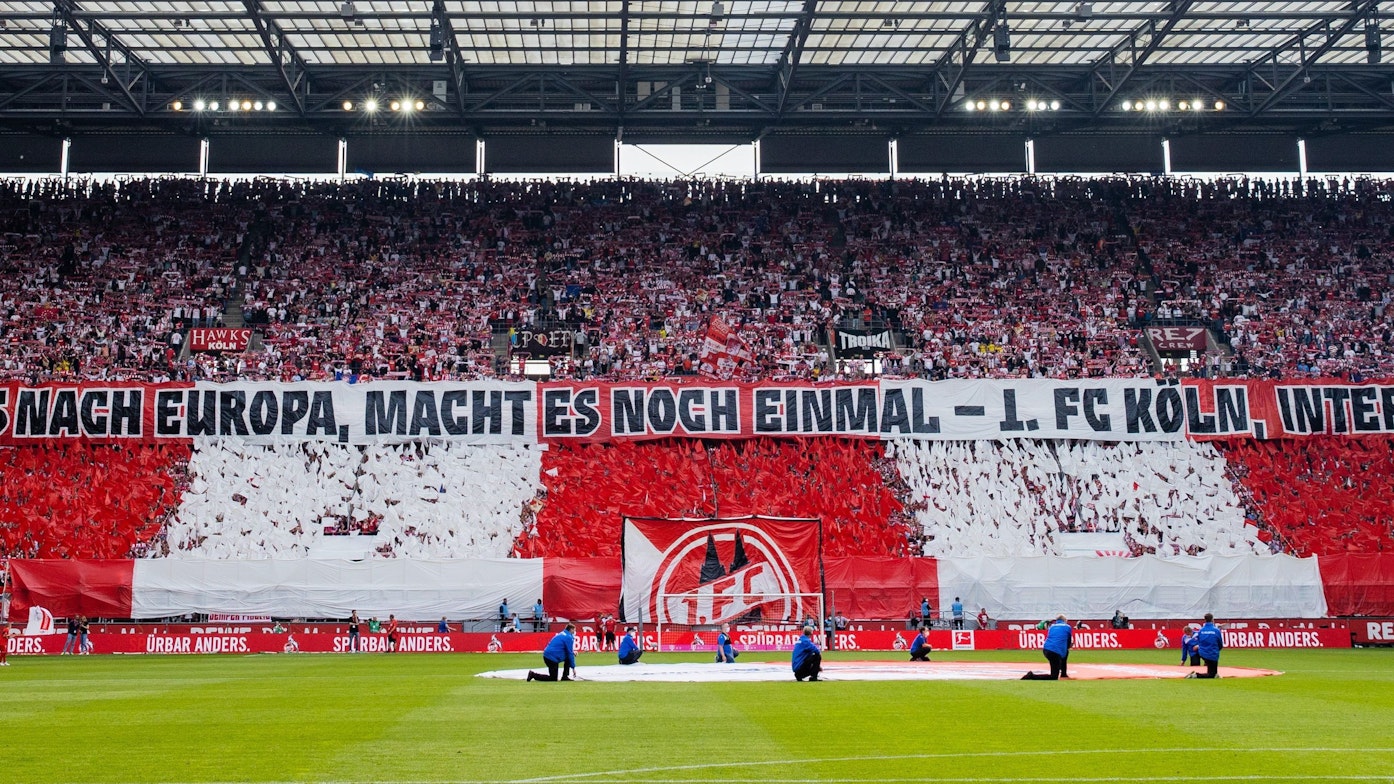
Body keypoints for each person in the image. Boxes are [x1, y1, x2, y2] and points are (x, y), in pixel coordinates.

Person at [1022, 615, 1072, 680]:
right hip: (1055, 652)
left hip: (1046, 649)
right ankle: (1032, 676)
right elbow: (1068, 640)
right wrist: (1066, 648)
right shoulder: (1067, 627)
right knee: (1054, 676)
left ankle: (1063, 673)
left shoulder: (1052, 627)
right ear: (1064, 620)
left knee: (1065, 653)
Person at [1187, 613, 1223, 679]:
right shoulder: (1216, 630)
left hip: (1202, 653)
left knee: (1212, 671)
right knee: (1211, 674)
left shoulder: (1201, 630)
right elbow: (1220, 643)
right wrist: (1217, 650)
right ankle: (1196, 675)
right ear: (1212, 619)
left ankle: (1214, 674)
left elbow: (1199, 641)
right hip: (1212, 653)